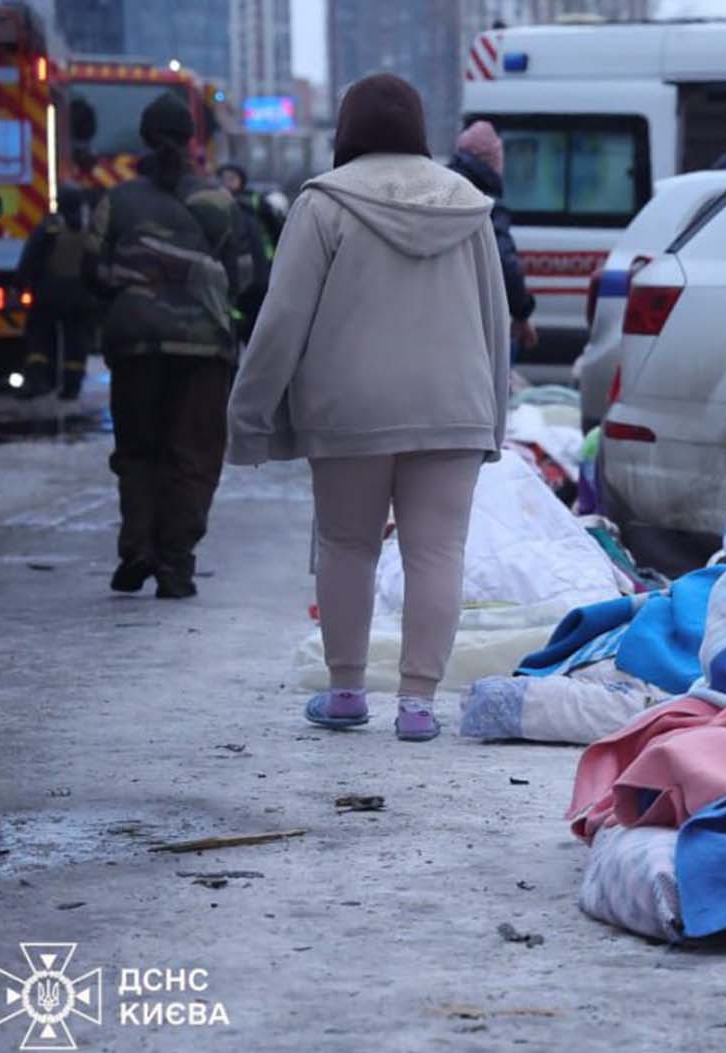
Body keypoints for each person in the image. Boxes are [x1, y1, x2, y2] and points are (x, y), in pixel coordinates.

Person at [226, 73, 510, 742]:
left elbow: (282, 318)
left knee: (348, 546)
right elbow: (493, 320)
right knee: (437, 551)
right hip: (454, 404)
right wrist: (491, 419)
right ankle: (417, 705)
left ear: (347, 129)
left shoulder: (322, 205)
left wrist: (248, 418)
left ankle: (347, 691)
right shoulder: (468, 204)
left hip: (348, 409)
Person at [83, 92, 242, 599]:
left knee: (138, 451)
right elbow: (244, 276)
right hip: (202, 352)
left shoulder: (118, 200)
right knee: (192, 455)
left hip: (134, 346)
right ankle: (175, 564)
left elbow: (92, 269)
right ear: (193, 141)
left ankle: (137, 549)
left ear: (145, 139)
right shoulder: (217, 201)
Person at [447, 120, 538, 354]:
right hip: (473, 318)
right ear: (493, 161)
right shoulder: (486, 204)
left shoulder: (444, 190)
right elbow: (504, 263)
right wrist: (521, 313)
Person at [12, 183, 96, 400]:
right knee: (76, 341)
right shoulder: (91, 228)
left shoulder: (49, 227)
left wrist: (20, 284)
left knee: (39, 337)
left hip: (48, 294)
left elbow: (31, 256)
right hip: (80, 296)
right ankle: (71, 387)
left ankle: (38, 380)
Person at [214, 163, 273, 343]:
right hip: (233, 272)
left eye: (232, 178)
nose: (228, 183)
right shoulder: (215, 203)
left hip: (260, 270)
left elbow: (277, 228)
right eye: (224, 178)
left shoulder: (254, 200)